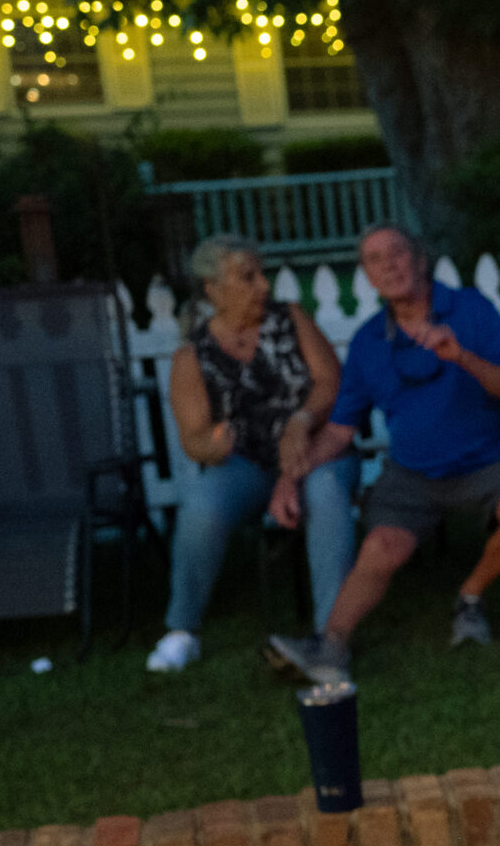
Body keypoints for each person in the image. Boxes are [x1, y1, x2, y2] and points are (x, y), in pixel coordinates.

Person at [267, 223, 500, 684]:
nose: (389, 265)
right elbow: (338, 431)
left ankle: (470, 597)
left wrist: (463, 358)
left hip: (490, 461)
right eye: (375, 260)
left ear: (419, 260)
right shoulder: (368, 342)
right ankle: (329, 646)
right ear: (367, 276)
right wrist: (289, 477)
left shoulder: (471, 310)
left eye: (397, 253)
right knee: (381, 547)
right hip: (413, 473)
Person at [149, 234, 359, 672]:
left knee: (324, 495)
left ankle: (332, 637)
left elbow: (330, 383)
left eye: (261, 274)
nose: (263, 285)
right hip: (247, 463)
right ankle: (182, 630)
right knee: (202, 508)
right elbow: (193, 438)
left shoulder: (291, 319)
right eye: (248, 277)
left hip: (319, 451)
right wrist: (211, 444)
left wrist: (300, 422)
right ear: (213, 289)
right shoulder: (193, 356)